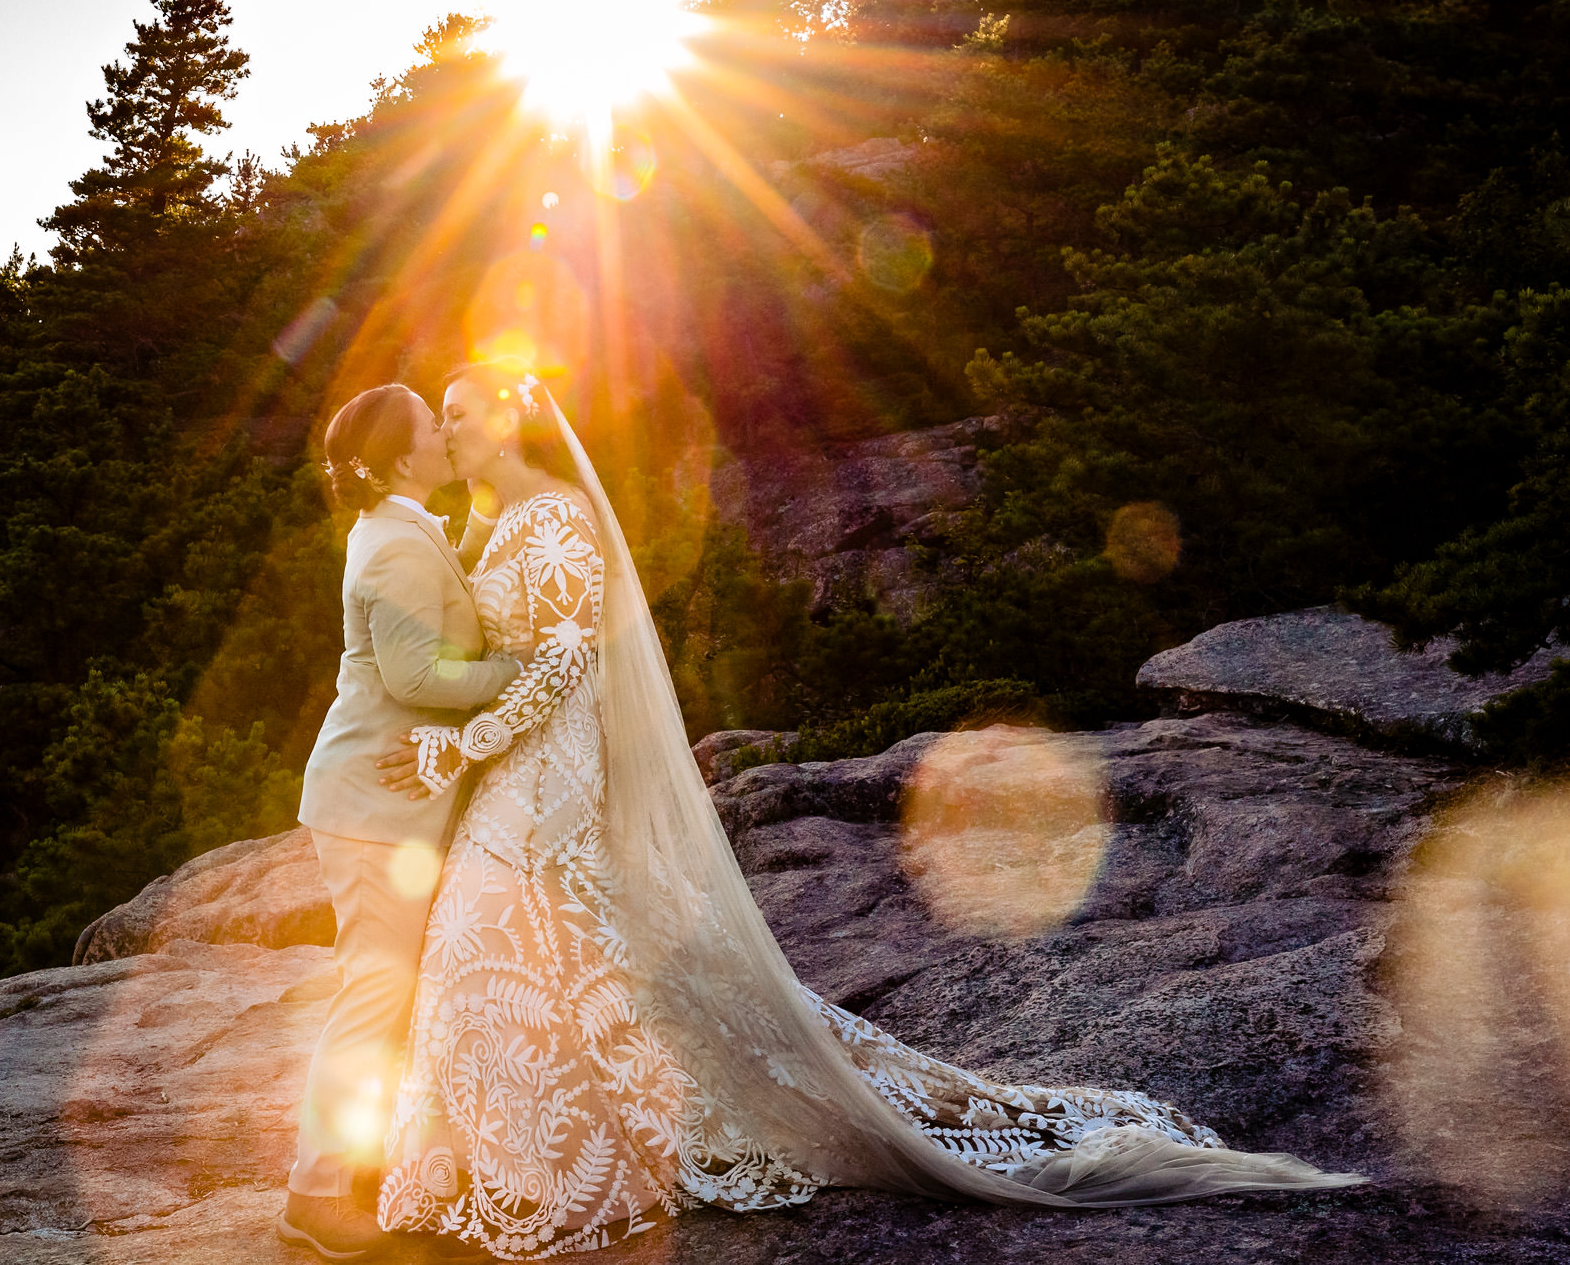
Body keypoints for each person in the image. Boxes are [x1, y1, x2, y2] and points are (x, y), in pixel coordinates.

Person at [372, 366, 1365, 1260]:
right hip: (514, 762)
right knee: (526, 941)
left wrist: (457, 743)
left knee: (498, 934)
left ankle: (563, 1160)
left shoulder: (551, 520)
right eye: (445, 418)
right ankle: (530, 1149)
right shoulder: (489, 520)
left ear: (506, 423)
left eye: (460, 415)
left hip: (550, 766)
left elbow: (559, 660)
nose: (449, 430)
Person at [279, 383, 520, 1263]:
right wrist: (519, 672)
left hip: (390, 800)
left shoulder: (405, 525)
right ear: (396, 456)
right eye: (431, 425)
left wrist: (493, 513)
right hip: (372, 805)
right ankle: (314, 1192)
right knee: (374, 993)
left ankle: (373, 1156)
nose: (443, 434)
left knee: (397, 989)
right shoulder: (390, 545)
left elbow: (443, 577)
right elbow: (416, 676)